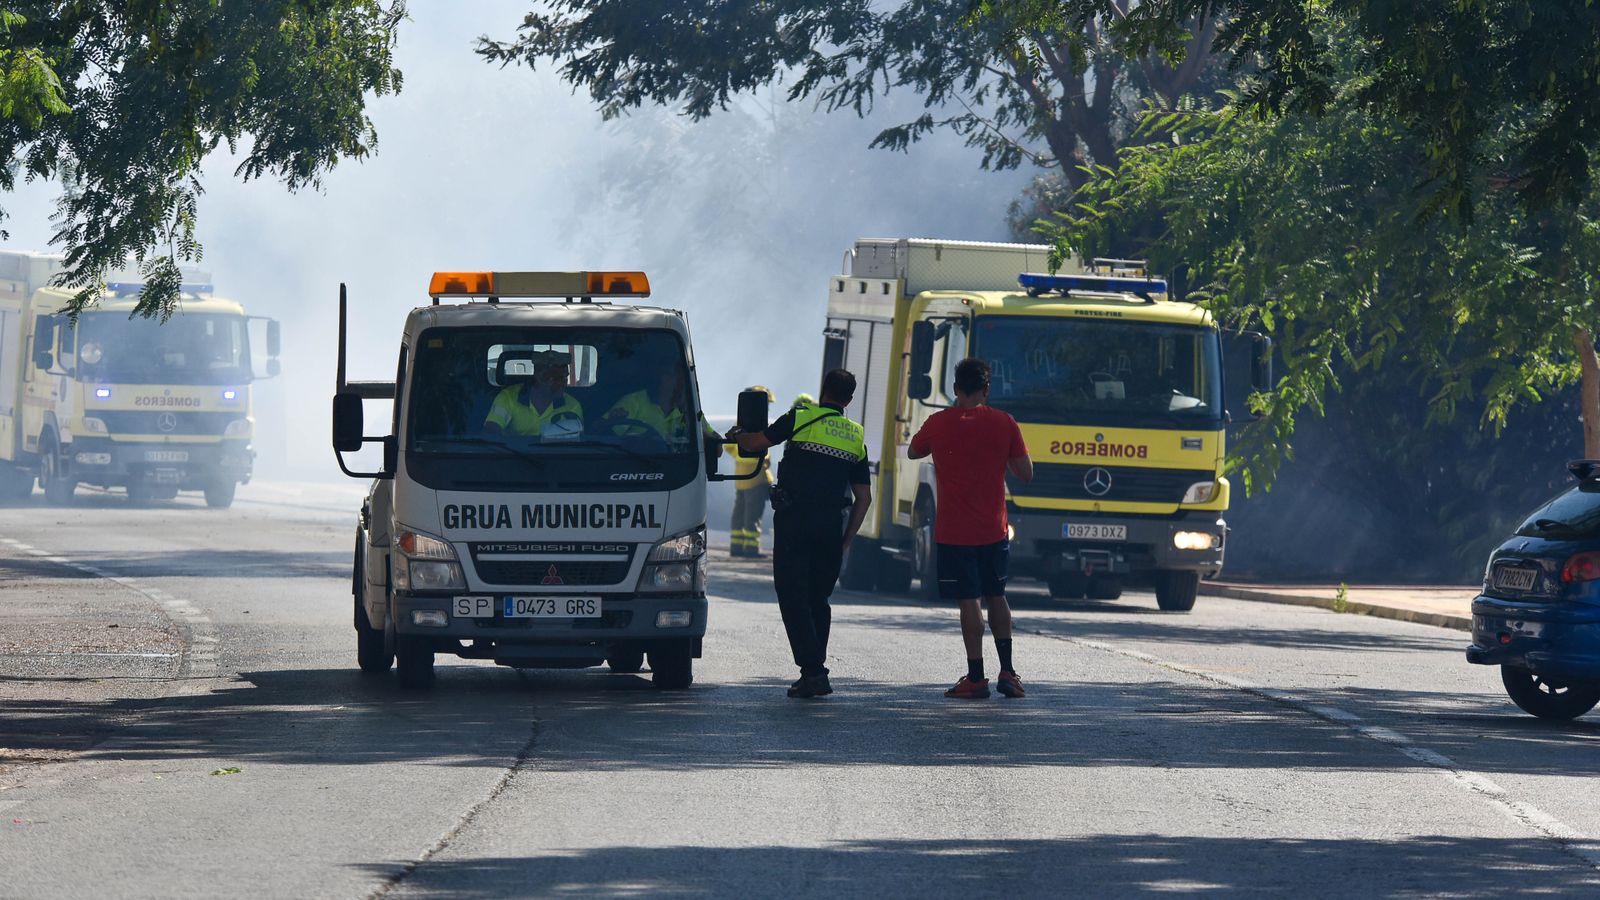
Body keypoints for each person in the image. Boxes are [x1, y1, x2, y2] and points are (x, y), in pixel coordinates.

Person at [731, 369, 871, 698]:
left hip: (796, 522)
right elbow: (864, 498)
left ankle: (814, 672)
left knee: (793, 596)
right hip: (831, 527)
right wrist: (847, 539)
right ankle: (813, 672)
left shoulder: (801, 417)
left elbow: (757, 443)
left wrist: (738, 435)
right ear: (849, 400)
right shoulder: (855, 435)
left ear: (824, 390)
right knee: (818, 599)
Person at [908, 357, 1034, 699]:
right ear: (987, 389)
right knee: (997, 595)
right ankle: (1008, 672)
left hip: (954, 531)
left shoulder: (938, 423)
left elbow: (913, 452)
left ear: (955, 388)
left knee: (969, 601)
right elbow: (1026, 473)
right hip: (993, 529)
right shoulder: (1005, 422)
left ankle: (976, 677)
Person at [484, 352, 583, 436]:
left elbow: (577, 445)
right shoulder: (508, 397)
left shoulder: (573, 406)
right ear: (537, 377)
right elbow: (490, 432)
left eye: (565, 377)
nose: (563, 383)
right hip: (511, 453)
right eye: (556, 378)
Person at [730, 385, 775, 558]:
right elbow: (751, 454)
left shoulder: (741, 427)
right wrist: (760, 458)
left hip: (744, 480)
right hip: (754, 480)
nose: (767, 408)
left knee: (742, 516)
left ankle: (739, 548)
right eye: (766, 404)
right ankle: (749, 549)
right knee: (750, 517)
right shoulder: (754, 428)